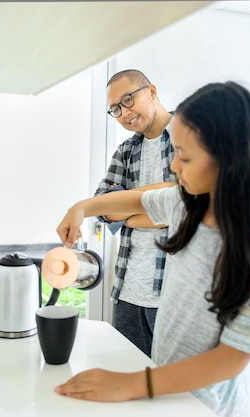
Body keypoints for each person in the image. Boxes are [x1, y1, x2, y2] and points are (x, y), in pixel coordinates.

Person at [54, 81, 250, 416]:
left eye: (184, 156)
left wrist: (131, 384)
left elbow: (231, 359)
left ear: (226, 158)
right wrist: (82, 207)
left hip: (209, 407)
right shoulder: (186, 204)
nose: (174, 167)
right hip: (171, 398)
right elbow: (133, 198)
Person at [94, 69, 177, 357]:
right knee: (129, 383)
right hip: (127, 292)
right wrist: (159, 208)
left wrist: (128, 213)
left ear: (151, 91)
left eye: (128, 99)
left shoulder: (190, 134)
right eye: (115, 109)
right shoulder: (125, 151)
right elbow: (102, 207)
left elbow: (188, 203)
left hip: (174, 296)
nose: (123, 112)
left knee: (175, 392)